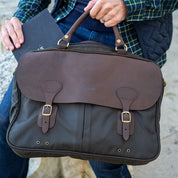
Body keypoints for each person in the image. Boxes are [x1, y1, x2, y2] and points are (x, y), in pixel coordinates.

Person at [0, 0, 178, 177]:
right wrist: (21, 17)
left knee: (105, 158)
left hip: (127, 40)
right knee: (6, 120)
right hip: (64, 28)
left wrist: (129, 5)